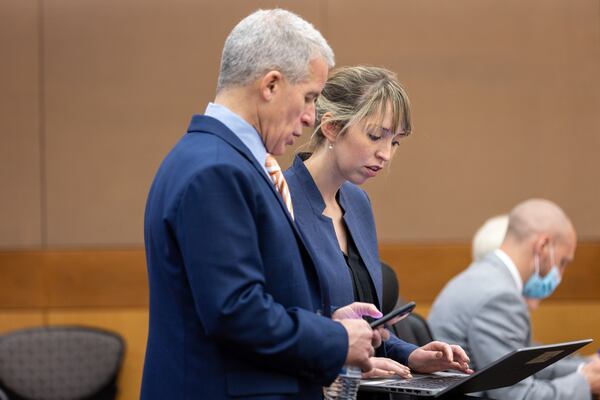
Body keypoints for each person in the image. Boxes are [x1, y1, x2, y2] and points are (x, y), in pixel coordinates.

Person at [141, 10, 381, 399]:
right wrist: (334, 338)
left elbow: (255, 294)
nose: (310, 118)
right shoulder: (216, 170)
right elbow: (234, 312)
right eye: (309, 98)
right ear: (270, 84)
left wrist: (327, 320)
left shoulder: (219, 159)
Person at [283, 66, 472, 385]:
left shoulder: (358, 204)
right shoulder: (280, 200)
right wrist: (345, 364)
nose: (385, 154)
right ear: (331, 127)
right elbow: (278, 325)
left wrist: (410, 354)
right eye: (375, 136)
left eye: (395, 142)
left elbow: (366, 328)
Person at [429, 198, 600, 399]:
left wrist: (584, 368)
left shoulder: (483, 277)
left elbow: (528, 362)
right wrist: (585, 384)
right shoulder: (500, 296)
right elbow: (516, 395)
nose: (560, 274)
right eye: (563, 262)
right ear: (543, 246)